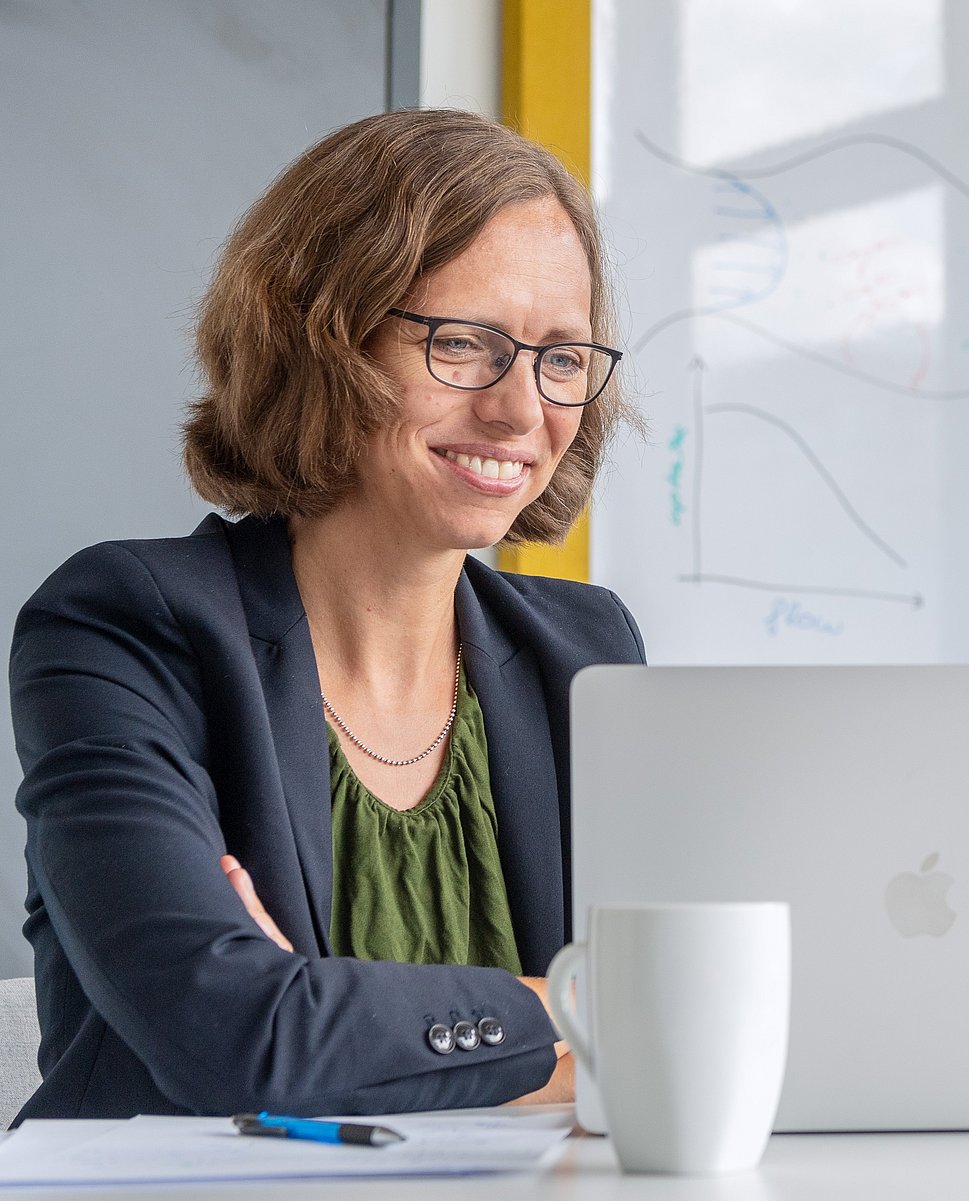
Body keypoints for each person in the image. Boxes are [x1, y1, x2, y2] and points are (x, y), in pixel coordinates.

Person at [11, 109, 644, 1120]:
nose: (522, 410)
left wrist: (329, 1016)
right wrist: (582, 1018)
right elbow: (235, 1034)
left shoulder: (586, 652)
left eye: (561, 357)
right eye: (464, 342)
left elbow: (695, 1027)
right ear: (322, 339)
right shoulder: (126, 625)